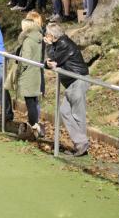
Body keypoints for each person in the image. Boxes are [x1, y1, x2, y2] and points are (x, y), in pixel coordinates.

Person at [44, 23, 90, 156]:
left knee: (77, 114)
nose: (45, 37)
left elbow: (54, 59)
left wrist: (48, 46)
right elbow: (50, 63)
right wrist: (48, 63)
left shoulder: (64, 44)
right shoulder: (58, 44)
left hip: (78, 81)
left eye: (47, 35)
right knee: (64, 111)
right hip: (71, 83)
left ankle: (82, 145)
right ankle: (81, 143)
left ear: (52, 36)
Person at [16, 19, 44, 140]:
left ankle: (35, 126)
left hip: (28, 74)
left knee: (30, 102)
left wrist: (19, 71)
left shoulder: (28, 41)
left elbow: (25, 60)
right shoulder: (38, 39)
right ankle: (34, 125)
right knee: (33, 100)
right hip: (36, 73)